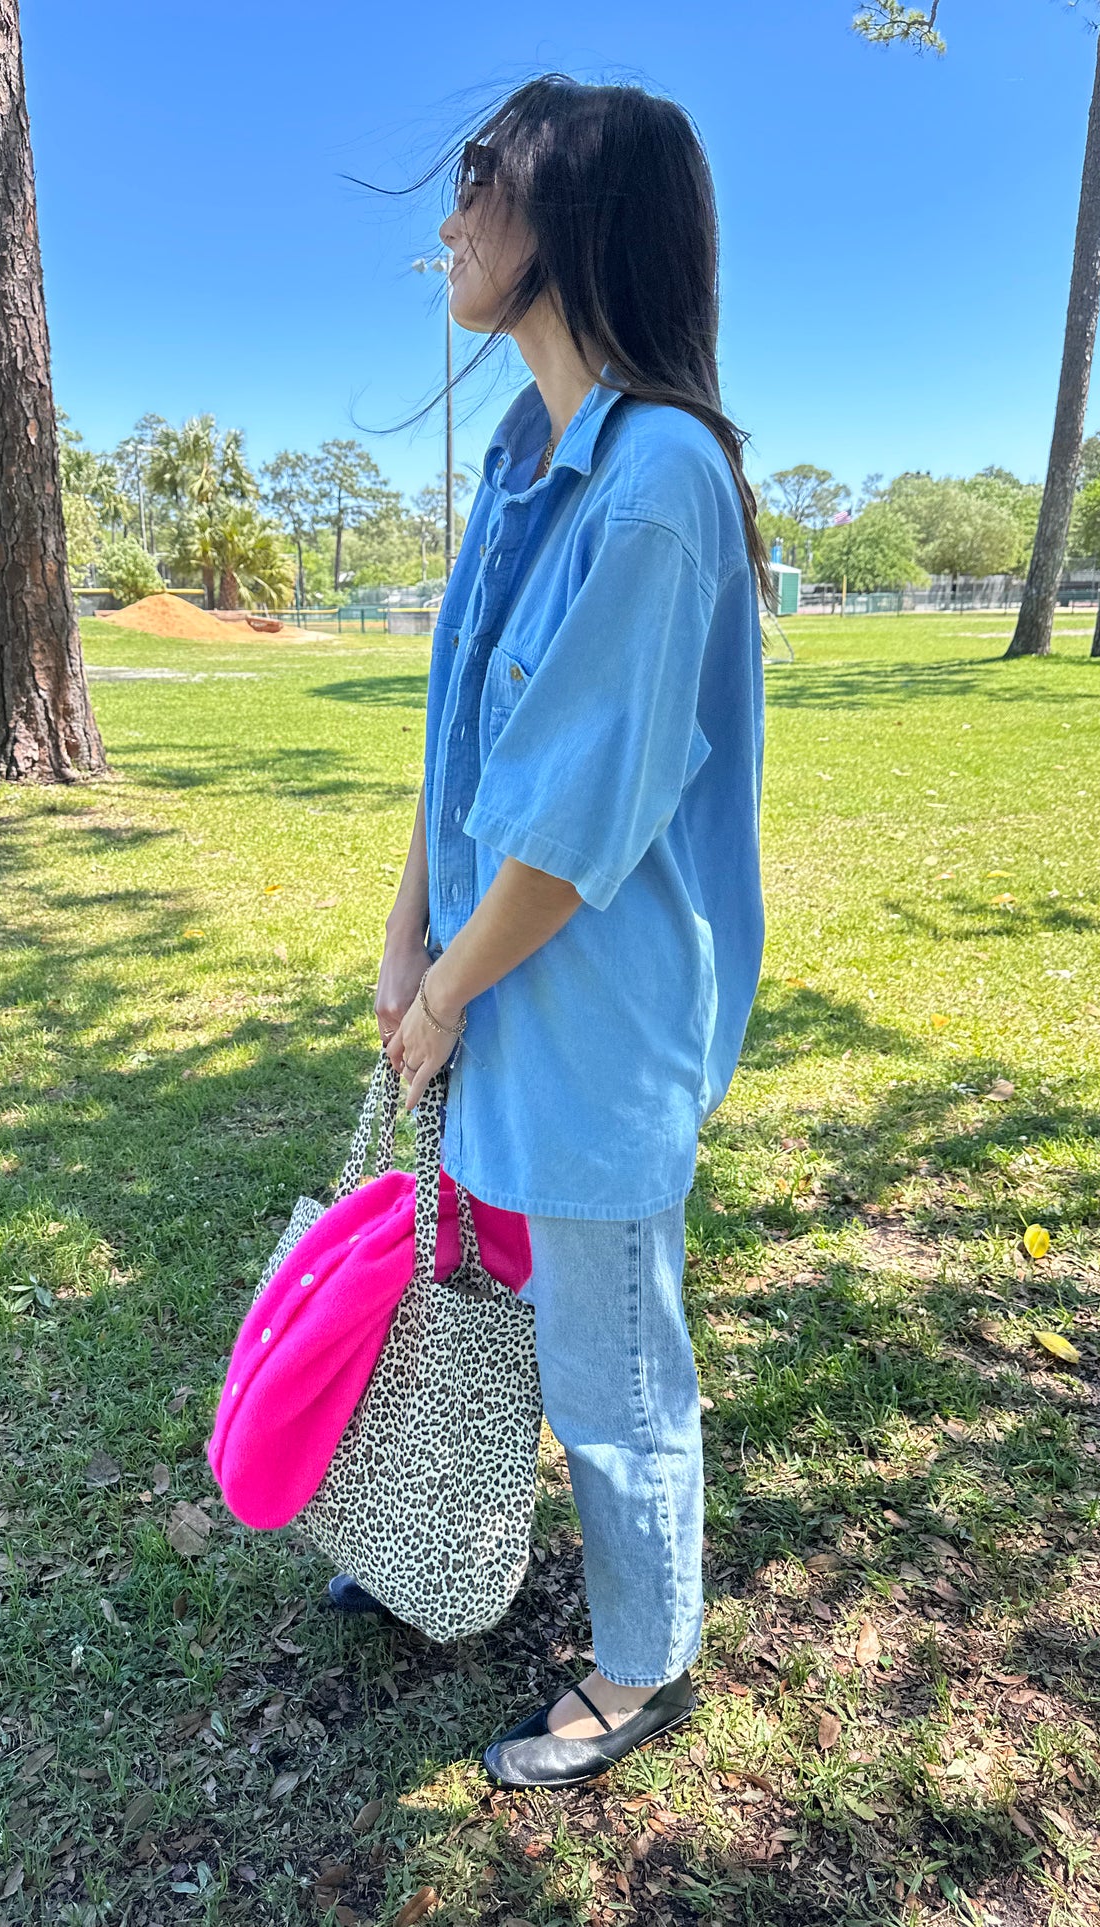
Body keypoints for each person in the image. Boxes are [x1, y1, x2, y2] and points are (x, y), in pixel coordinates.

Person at [345, 74, 768, 1789]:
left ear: (571, 221)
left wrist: (442, 988)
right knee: (484, 1300)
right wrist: (400, 935)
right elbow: (465, 749)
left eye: (481, 184)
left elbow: (575, 825)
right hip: (483, 987)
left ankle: (642, 1653)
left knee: (607, 1356)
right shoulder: (527, 460)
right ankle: (446, 1530)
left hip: (581, 1016)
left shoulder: (658, 483)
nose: (447, 223)